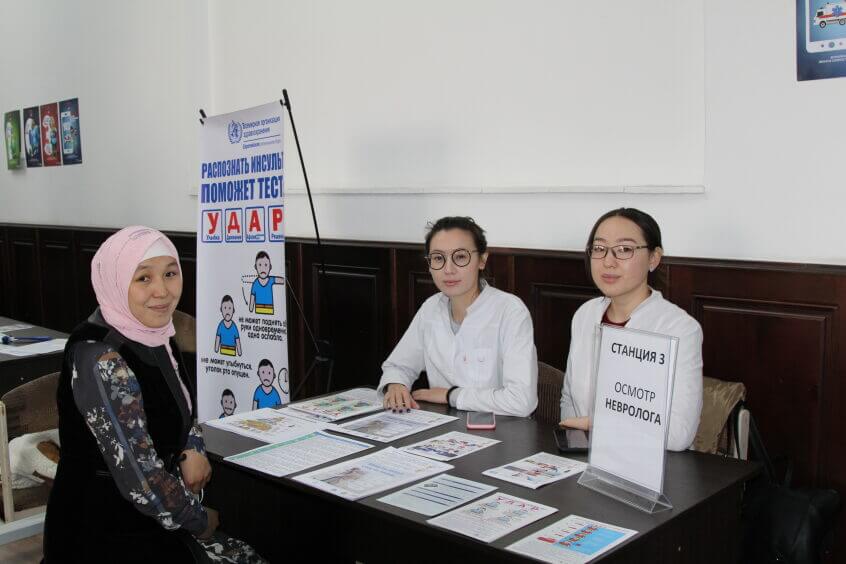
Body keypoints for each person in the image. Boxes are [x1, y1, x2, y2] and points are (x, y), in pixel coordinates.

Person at [44, 226, 265, 563]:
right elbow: (140, 479)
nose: (162, 291)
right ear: (116, 281)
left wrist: (191, 446)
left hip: (152, 512)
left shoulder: (155, 333)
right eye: (143, 278)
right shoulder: (102, 357)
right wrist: (199, 521)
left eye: (170, 274)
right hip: (103, 529)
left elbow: (180, 403)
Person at [559, 208, 703, 451]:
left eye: (624, 249)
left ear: (653, 258)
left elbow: (679, 434)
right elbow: (569, 399)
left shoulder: (680, 328)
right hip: (586, 457)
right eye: (599, 248)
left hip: (651, 464)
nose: (608, 261)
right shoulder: (585, 314)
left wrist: (598, 425)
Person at [378, 216, 538, 417]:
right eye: (438, 258)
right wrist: (396, 384)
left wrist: (451, 395)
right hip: (443, 427)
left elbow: (522, 401)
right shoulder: (431, 308)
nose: (448, 269)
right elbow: (398, 365)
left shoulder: (510, 311)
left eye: (460, 257)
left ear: (482, 260)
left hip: (501, 429)